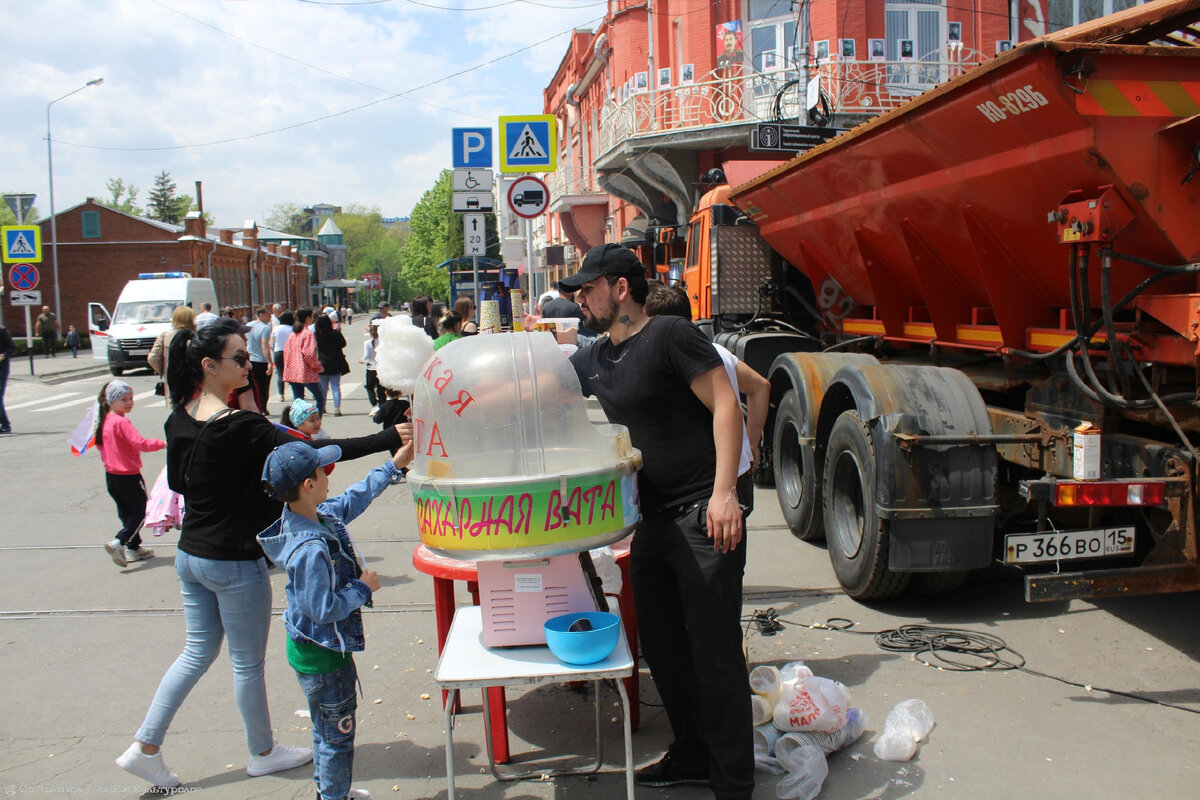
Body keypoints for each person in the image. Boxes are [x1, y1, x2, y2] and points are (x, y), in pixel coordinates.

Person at [115, 318, 404, 790]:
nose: (250, 365)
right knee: (246, 664)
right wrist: (389, 440)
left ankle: (145, 747)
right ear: (209, 366)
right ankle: (262, 751)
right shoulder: (239, 425)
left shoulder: (180, 414)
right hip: (232, 560)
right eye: (239, 358)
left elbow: (183, 483)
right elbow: (314, 451)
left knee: (195, 654)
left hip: (192, 556)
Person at [559, 243, 753, 799]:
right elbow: (537, 387)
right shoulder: (595, 358)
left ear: (621, 288)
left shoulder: (670, 335)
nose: (579, 298)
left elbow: (726, 405)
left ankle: (735, 783)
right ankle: (692, 752)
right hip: (654, 522)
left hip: (703, 516)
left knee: (714, 655)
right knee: (664, 648)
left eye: (587, 288)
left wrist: (724, 494)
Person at [257, 434, 413, 800]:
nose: (331, 476)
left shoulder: (311, 515)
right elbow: (321, 609)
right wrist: (362, 588)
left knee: (325, 730)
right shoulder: (310, 547)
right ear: (309, 485)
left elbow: (352, 500)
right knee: (337, 737)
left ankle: (328, 791)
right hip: (323, 657)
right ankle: (334, 796)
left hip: (317, 652)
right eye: (324, 471)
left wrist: (394, 466)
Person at [645, 285, 769, 515]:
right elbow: (760, 386)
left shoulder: (665, 359)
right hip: (739, 475)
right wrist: (751, 444)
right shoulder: (718, 351)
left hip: (708, 485)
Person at [96, 380, 166, 568]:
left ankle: (133, 547)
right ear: (111, 401)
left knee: (127, 512)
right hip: (128, 475)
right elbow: (140, 443)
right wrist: (163, 443)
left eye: (130, 399)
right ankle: (119, 542)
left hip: (112, 476)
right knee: (142, 511)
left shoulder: (105, 420)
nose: (129, 403)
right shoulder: (121, 422)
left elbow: (99, 445)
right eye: (123, 399)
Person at [149, 306, 198, 406]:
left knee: (176, 412)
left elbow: (152, 358)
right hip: (193, 382)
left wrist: (164, 372)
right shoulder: (195, 336)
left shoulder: (164, 336)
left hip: (172, 381)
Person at [283, 308, 325, 415]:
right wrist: (317, 366)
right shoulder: (307, 333)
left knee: (298, 401)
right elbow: (308, 354)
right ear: (307, 318)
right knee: (320, 398)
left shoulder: (294, 333)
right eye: (311, 316)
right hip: (306, 372)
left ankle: (299, 424)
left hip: (293, 372)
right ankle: (316, 422)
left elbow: (286, 351)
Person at [315, 314, 350, 416]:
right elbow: (343, 344)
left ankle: (323, 407)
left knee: (323, 387)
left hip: (321, 364)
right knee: (335, 386)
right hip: (335, 362)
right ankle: (337, 409)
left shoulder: (316, 335)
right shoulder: (335, 333)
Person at [246, 307, 274, 414]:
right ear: (261, 315)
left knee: (253, 385)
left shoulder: (248, 325)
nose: (270, 317)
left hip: (250, 359)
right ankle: (263, 407)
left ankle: (255, 406)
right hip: (261, 360)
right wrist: (270, 362)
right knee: (264, 386)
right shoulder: (265, 328)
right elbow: (265, 346)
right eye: (268, 315)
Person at [273, 310, 294, 404]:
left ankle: (281, 394)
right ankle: (296, 392)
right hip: (289, 352)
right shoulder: (292, 328)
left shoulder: (276, 329)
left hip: (278, 352)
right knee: (292, 373)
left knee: (280, 374)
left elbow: (274, 341)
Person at [362, 322, 381, 414]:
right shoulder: (382, 342)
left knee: (369, 387)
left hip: (371, 367)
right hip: (380, 367)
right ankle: (382, 404)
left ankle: (374, 405)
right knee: (380, 387)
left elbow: (366, 356)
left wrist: (362, 360)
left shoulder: (367, 343)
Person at [0, 324, 14, 434]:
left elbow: (12, 347)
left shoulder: (2, 330)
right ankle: (5, 425)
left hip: (2, 368)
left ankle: (5, 425)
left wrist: (3, 355)